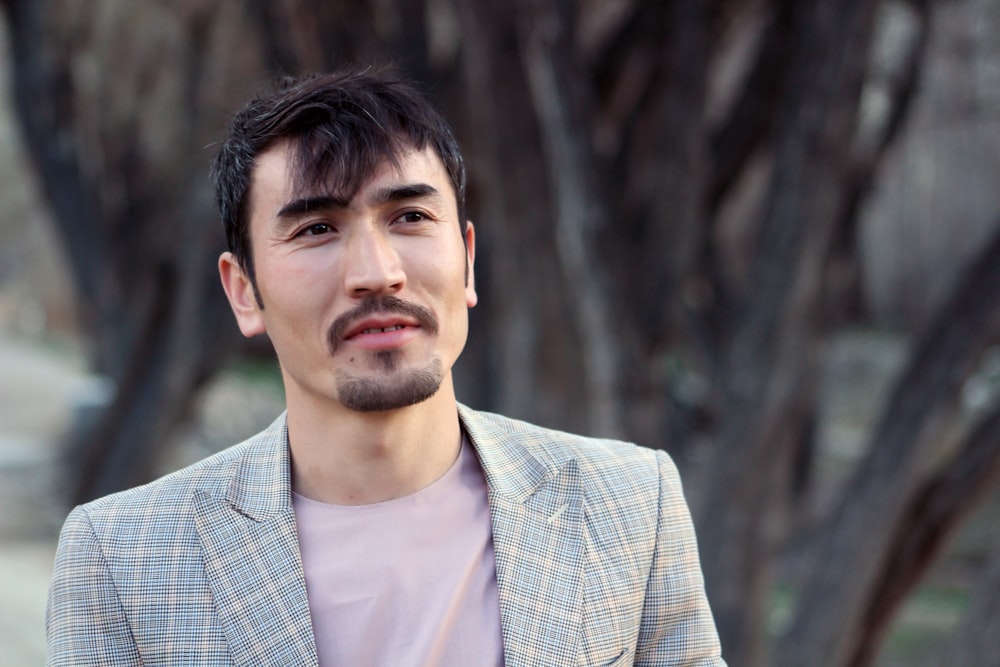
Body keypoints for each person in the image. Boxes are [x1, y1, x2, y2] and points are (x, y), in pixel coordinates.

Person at [46, 67, 725, 666]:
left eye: (408, 216)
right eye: (316, 229)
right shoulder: (121, 560)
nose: (378, 274)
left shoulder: (630, 504)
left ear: (466, 256)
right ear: (243, 290)